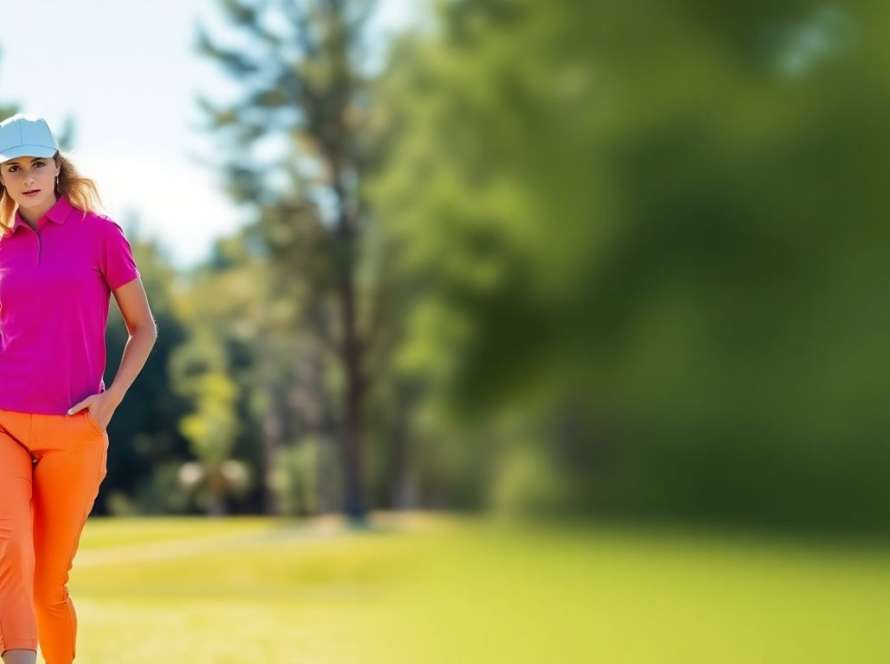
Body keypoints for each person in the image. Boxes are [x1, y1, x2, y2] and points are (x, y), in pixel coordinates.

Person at [0, 114, 158, 664]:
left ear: (57, 164)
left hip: (76, 432)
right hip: (5, 425)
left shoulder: (101, 235)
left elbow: (145, 327)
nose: (27, 177)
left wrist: (110, 399)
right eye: (13, 168)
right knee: (11, 554)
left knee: (49, 586)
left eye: (37, 164)